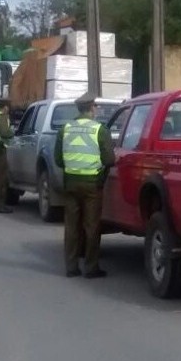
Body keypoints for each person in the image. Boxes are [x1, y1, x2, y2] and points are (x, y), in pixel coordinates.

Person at [54, 91, 115, 278]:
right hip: (92, 185)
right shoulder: (99, 130)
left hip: (71, 183)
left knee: (71, 227)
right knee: (91, 226)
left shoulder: (65, 129)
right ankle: (91, 267)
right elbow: (109, 159)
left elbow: (58, 159)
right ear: (91, 108)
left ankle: (71, 267)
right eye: (95, 106)